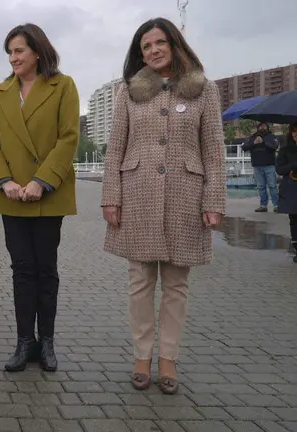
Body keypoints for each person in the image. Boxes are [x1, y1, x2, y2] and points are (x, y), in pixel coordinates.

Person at [101, 17, 226, 395]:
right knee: (140, 282)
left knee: (176, 285)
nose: (153, 51)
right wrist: (110, 196)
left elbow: (215, 153)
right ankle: (142, 355)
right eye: (145, 47)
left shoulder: (204, 90)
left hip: (186, 197)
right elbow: (115, 149)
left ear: (174, 44)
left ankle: (168, 358)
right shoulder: (130, 91)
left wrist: (214, 198)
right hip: (136, 194)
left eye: (159, 43)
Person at [0, 23, 79, 373]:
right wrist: (4, 180)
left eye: (19, 50)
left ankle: (47, 342)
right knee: (21, 270)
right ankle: (25, 342)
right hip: (12, 195)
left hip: (48, 194)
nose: (13, 58)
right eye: (9, 52)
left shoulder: (63, 86)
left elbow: (69, 138)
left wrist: (41, 180)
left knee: (45, 269)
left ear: (38, 51)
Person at [243, 122, 280, 212]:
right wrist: (254, 143)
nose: (262, 127)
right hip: (257, 166)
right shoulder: (252, 137)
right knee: (261, 187)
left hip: (269, 165)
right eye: (261, 126)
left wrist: (264, 142)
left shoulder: (271, 136)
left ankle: (276, 205)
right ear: (258, 127)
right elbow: (244, 147)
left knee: (272, 186)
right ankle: (263, 205)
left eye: (264, 126)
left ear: (267, 127)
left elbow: (275, 146)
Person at [276, 122, 297, 262]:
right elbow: (279, 169)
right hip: (292, 189)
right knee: (294, 220)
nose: (296, 134)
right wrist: (293, 166)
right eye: (294, 131)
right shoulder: (285, 150)